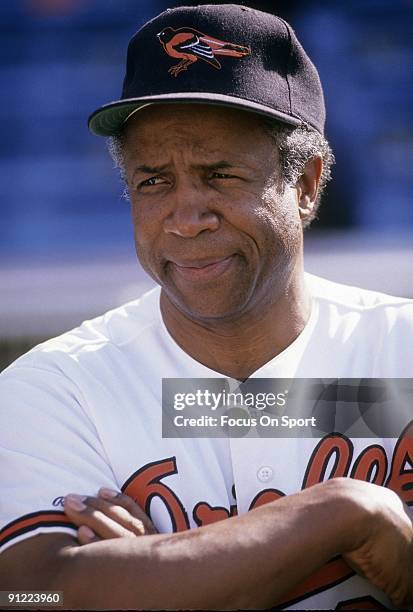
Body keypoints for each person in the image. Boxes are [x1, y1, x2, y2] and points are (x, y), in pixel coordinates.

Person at [1, 4, 412, 610]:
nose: (187, 219)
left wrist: (147, 576)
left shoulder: (400, 348)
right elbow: (28, 595)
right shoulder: (58, 386)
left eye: (221, 176)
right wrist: (343, 514)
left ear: (305, 184)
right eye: (153, 182)